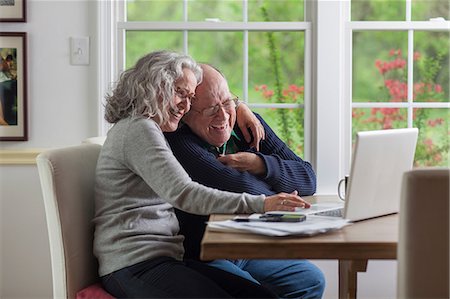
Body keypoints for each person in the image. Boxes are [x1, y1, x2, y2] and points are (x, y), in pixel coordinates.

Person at [93, 50, 311, 298]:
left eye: (190, 97)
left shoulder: (150, 127)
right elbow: (184, 193)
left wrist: (238, 107)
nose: (185, 106)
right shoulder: (138, 130)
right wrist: (263, 203)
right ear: (155, 88)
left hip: (165, 259)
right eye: (180, 94)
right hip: (133, 265)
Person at [165, 64, 325, 299]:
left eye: (227, 102)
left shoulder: (248, 125)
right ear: (187, 113)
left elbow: (308, 179)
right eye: (210, 109)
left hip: (249, 247)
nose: (223, 116)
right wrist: (279, 185)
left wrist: (257, 163)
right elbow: (244, 190)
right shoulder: (180, 141)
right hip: (205, 254)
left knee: (310, 281)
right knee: (254, 292)